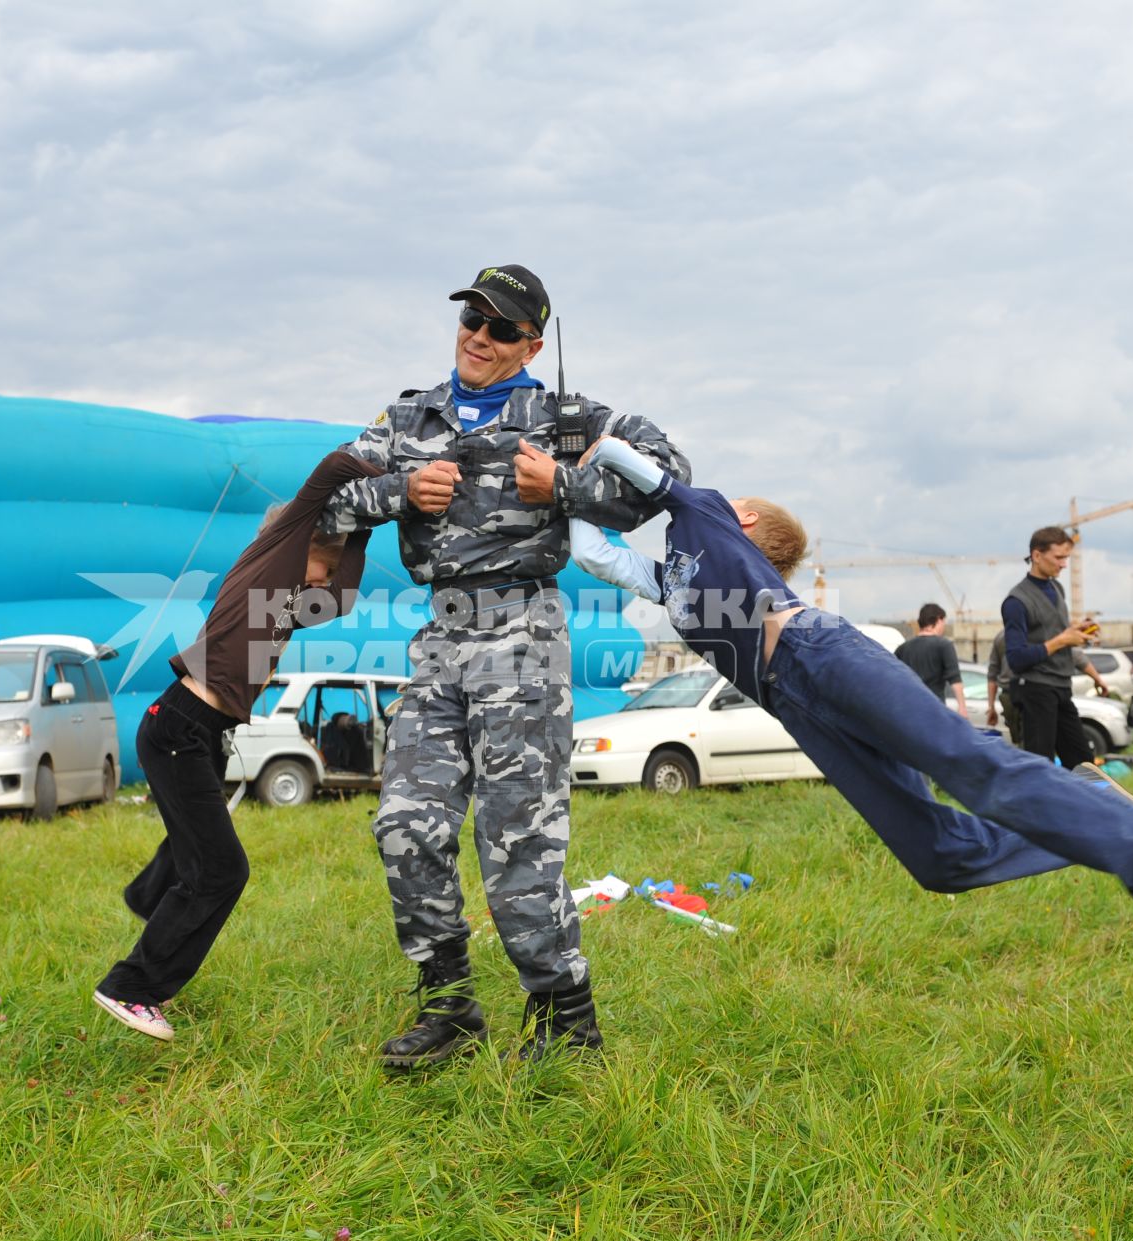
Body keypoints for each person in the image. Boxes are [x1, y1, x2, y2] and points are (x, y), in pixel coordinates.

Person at [568, 436, 1133, 962]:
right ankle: (1097, 812)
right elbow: (599, 557)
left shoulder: (706, 514)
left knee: (969, 765)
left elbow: (638, 468)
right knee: (937, 857)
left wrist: (581, 456)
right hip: (798, 703)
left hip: (822, 655)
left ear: (741, 519)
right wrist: (563, 502)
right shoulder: (679, 580)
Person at [320, 264, 690, 1067]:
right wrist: (400, 490)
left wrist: (563, 482)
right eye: (470, 320)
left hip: (522, 629)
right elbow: (328, 496)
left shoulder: (565, 417)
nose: (477, 337)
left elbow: (667, 475)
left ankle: (566, 1021)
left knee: (518, 838)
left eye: (498, 328)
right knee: (403, 828)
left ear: (532, 343)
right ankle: (450, 1012)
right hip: (441, 634)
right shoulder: (410, 415)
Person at [95, 452, 382, 1042]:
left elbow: (343, 601)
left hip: (201, 731)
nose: (324, 585)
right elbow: (330, 471)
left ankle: (149, 898)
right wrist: (389, 471)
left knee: (192, 843)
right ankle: (132, 986)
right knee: (223, 871)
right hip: (179, 725)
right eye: (323, 567)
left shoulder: (288, 603)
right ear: (296, 546)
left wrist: (370, 525)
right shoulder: (266, 568)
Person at [1000, 528, 1108, 765]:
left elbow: (1055, 633)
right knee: (1040, 765)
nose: (1064, 565)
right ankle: (1033, 803)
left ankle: (1094, 802)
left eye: (1066, 558)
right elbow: (1016, 658)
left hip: (1061, 686)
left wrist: (1077, 631)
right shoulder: (1016, 601)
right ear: (1037, 556)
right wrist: (1063, 640)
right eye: (1059, 558)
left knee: (1084, 764)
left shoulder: (1056, 589)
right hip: (1035, 690)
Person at [895, 603, 966, 717]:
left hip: (909, 710)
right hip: (935, 710)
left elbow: (895, 680)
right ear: (938, 619)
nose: (944, 626)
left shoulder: (903, 649)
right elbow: (955, 680)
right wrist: (962, 708)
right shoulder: (944, 645)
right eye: (944, 622)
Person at [983, 629, 1021, 742]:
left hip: (1009, 695)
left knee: (1019, 740)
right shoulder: (1035, 632)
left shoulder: (1001, 637)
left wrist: (991, 707)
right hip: (1026, 693)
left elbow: (992, 675)